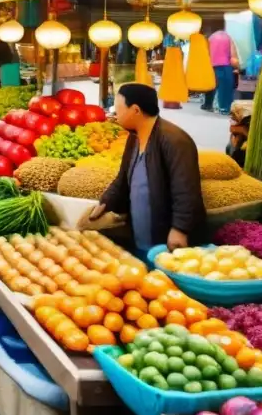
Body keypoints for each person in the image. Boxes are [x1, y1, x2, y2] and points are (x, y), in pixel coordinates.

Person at [88, 83, 204, 258]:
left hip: (167, 241)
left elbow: (186, 190)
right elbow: (123, 180)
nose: (114, 115)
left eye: (118, 110)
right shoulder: (133, 139)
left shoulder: (175, 141)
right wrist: (105, 202)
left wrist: (180, 229)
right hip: (141, 238)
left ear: (135, 110)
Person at [202, 24, 241, 114]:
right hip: (225, 64)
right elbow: (233, 53)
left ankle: (207, 104)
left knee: (211, 85)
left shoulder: (211, 37)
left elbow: (206, 51)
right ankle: (225, 108)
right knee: (225, 87)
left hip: (211, 64)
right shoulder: (229, 37)